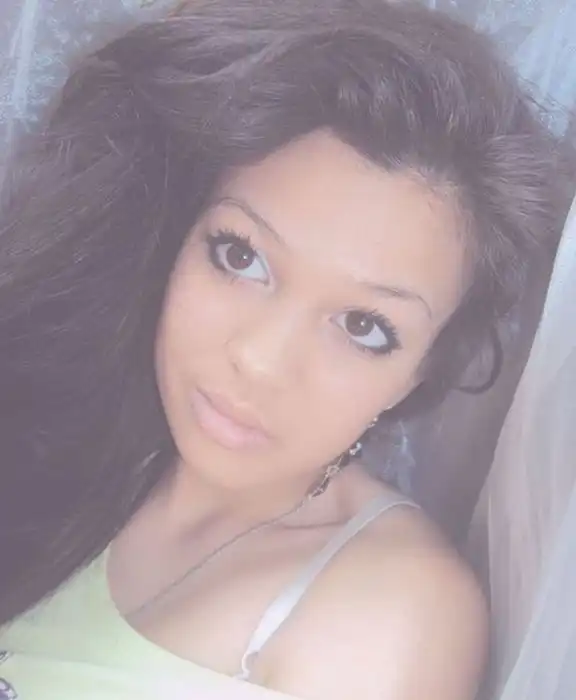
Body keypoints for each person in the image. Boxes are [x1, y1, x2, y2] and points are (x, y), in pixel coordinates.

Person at [0, 0, 572, 698]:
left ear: (421, 372)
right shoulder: (77, 440)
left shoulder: (389, 614)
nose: (261, 360)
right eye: (240, 256)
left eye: (363, 326)